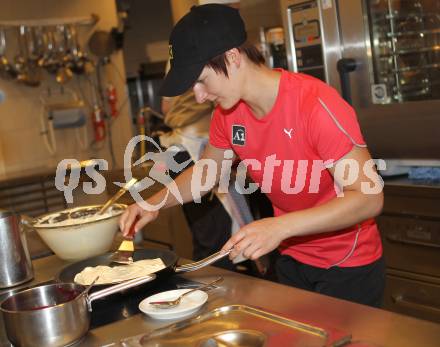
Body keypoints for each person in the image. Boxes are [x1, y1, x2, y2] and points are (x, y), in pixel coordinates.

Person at [120, 4, 385, 307]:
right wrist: (153, 202)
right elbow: (207, 172)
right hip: (291, 258)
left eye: (202, 80)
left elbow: (369, 197)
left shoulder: (314, 105)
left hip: (348, 266)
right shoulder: (228, 114)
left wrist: (279, 227)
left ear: (232, 58)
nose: (199, 96)